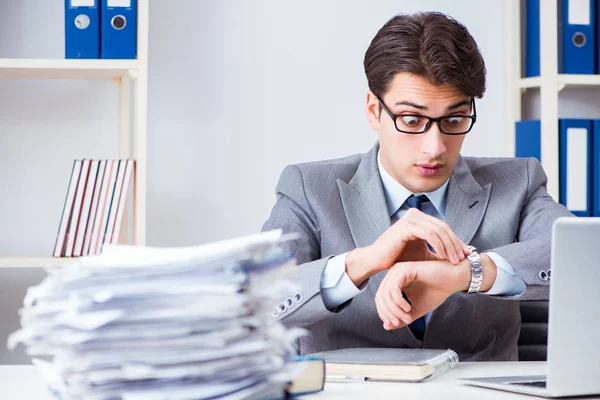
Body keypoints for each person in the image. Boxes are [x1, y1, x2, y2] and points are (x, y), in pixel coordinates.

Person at [261, 11, 573, 361]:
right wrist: (360, 264)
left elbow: (583, 256)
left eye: (454, 119)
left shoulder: (518, 182)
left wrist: (465, 274)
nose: (435, 147)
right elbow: (255, 303)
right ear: (373, 110)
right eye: (412, 120)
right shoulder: (308, 189)